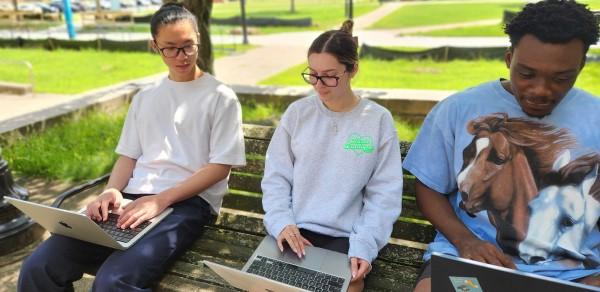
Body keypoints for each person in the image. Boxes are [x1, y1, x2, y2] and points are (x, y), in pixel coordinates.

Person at [18, 3, 246, 291]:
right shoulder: (146, 97)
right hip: (130, 201)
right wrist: (111, 191)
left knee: (113, 282)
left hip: (186, 205)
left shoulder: (220, 97)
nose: (181, 56)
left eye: (188, 46)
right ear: (155, 46)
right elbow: (128, 156)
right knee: (38, 266)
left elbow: (219, 167)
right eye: (170, 48)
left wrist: (160, 200)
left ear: (198, 37)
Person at [403, 1, 600, 291]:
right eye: (527, 74)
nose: (540, 90)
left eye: (560, 78)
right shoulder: (458, 108)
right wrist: (465, 241)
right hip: (472, 263)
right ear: (509, 59)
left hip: (573, 274)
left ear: (581, 66)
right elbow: (429, 187)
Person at [261, 20, 403, 292]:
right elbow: (276, 178)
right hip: (295, 231)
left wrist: (364, 245)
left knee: (346, 287)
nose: (319, 85)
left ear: (353, 70)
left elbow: (384, 194)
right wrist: (282, 223)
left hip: (346, 238)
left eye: (329, 75)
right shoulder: (298, 113)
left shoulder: (377, 120)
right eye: (312, 74)